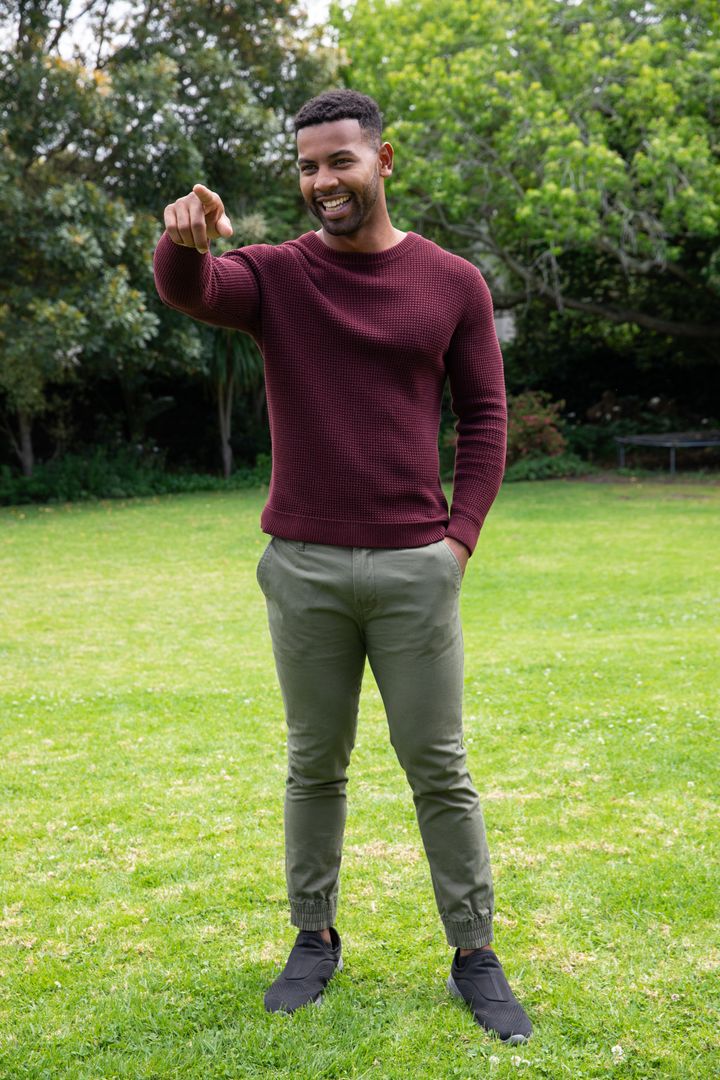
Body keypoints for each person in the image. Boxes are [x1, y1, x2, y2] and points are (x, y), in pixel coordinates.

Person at [153, 88, 532, 1044]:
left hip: (415, 566)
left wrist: (457, 543)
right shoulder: (276, 275)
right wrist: (184, 238)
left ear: (384, 161)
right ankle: (312, 937)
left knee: (439, 769)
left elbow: (486, 420)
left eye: (339, 161)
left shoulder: (453, 282)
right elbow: (192, 291)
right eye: (308, 166)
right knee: (314, 766)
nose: (323, 181)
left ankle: (474, 953)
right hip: (304, 567)